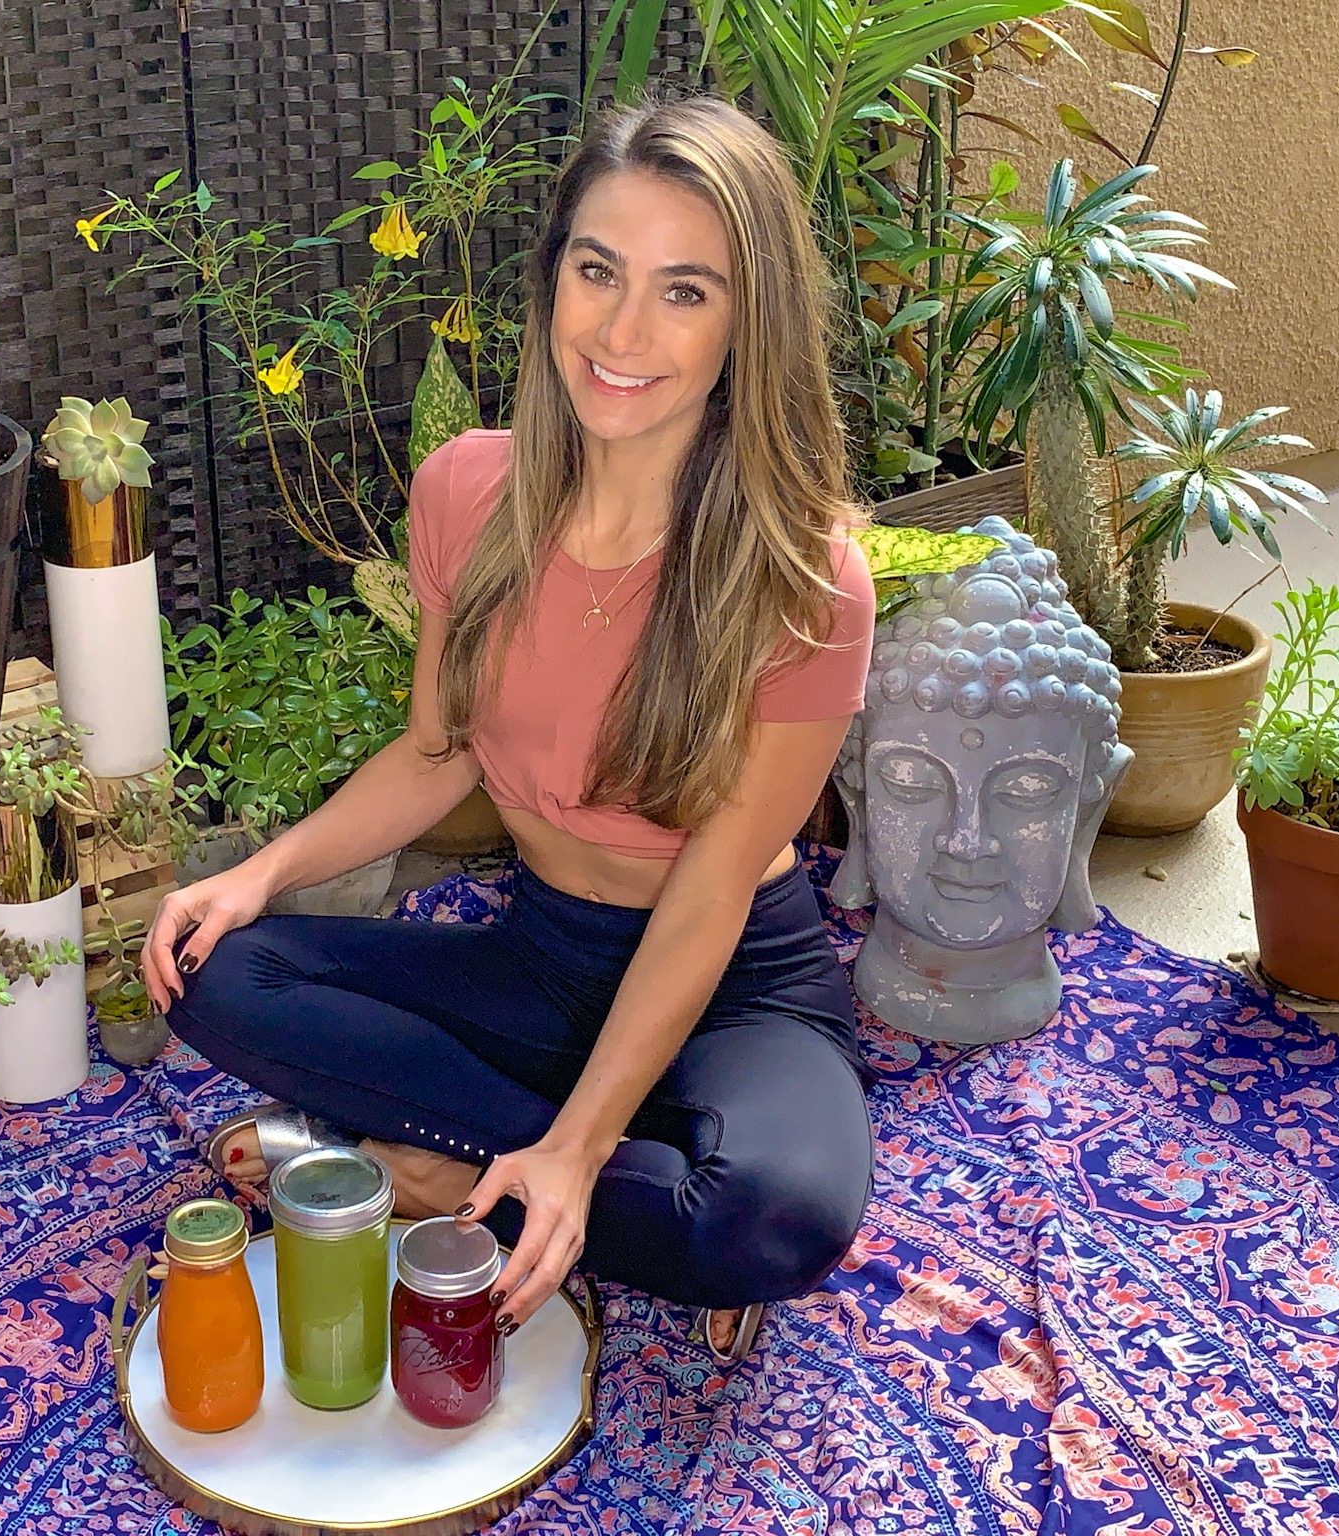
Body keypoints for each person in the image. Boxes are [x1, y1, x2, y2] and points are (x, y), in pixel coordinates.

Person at [140, 95, 877, 1365]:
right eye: (597, 272)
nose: (622, 332)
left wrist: (578, 1147)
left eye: (683, 291)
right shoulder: (466, 492)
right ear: (550, 285)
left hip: (735, 982)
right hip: (541, 961)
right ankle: (560, 1165)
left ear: (746, 322)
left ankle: (443, 1166)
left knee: (772, 1218)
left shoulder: (803, 582)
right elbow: (437, 751)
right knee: (213, 966)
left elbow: (707, 894)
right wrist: (257, 874)